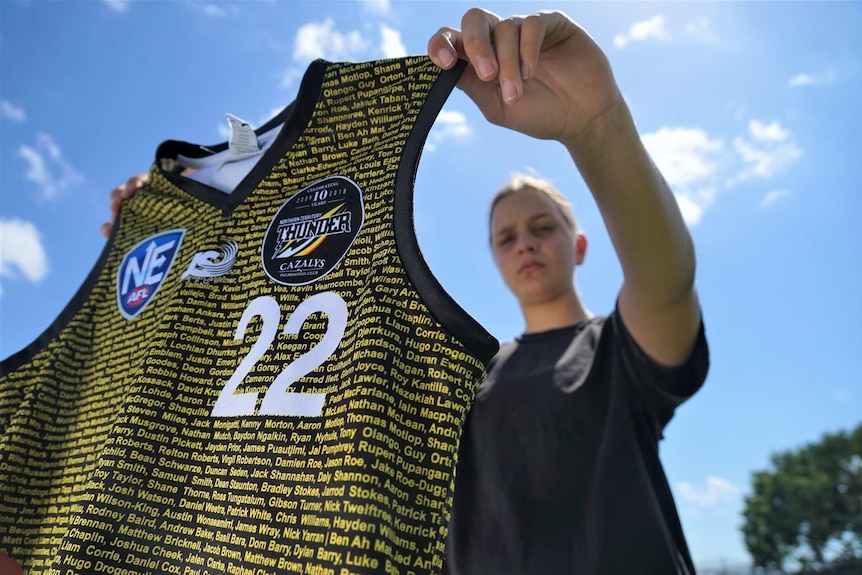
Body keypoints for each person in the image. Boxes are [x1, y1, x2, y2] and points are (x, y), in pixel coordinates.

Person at [102, 8, 708, 574]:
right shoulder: (460, 375)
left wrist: (595, 123)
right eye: (507, 236)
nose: (524, 243)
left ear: (577, 247)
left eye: (543, 227)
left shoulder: (616, 352)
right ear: (494, 257)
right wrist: (166, 235)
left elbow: (666, 281)